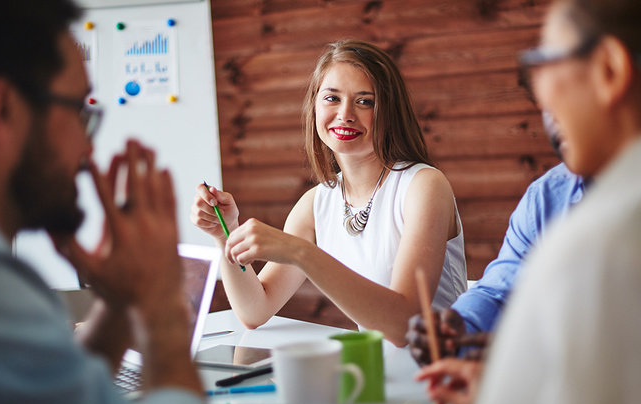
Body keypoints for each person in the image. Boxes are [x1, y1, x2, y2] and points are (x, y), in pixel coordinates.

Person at [0, 0, 224, 404]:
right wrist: (160, 311)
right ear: (2, 110)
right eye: (79, 112)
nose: (87, 149)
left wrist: (122, 301)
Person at [452, 0, 641, 404]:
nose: (541, 97)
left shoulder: (604, 244)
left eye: (541, 63)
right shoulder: (549, 199)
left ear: (609, 70)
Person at [191, 40, 467, 347]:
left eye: (365, 102)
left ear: (390, 111)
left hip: (446, 373)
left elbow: (405, 327)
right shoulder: (317, 202)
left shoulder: (424, 185)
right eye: (332, 98)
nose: (345, 114)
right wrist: (223, 233)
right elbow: (255, 310)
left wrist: (302, 253)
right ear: (315, 106)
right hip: (379, 374)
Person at [406, 111, 588, 365]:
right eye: (546, 105)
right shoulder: (546, 196)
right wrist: (459, 327)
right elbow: (499, 293)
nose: (556, 118)